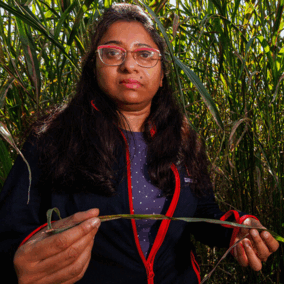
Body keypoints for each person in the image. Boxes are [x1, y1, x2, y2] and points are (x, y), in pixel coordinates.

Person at [0, 3, 279, 284]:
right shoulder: (53, 139)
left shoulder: (183, 140)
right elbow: (10, 229)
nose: (129, 65)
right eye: (112, 53)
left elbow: (204, 215)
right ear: (93, 68)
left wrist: (237, 228)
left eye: (144, 54)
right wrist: (18, 265)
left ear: (161, 76)